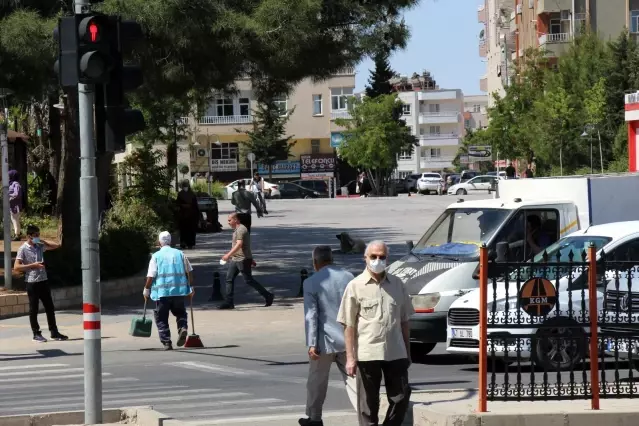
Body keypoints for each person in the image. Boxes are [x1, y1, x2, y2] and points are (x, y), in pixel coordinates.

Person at [337, 241, 413, 426]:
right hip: (368, 352)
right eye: (373, 257)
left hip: (395, 351)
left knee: (401, 397)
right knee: (368, 404)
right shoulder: (355, 286)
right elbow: (348, 325)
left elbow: (404, 321)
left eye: (382, 257)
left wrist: (408, 353)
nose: (378, 260)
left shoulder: (397, 284)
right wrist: (350, 358)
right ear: (365, 258)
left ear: (387, 259)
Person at [299, 246, 357, 426]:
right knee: (354, 381)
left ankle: (314, 418)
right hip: (349, 341)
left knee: (317, 381)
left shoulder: (311, 282)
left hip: (324, 342)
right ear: (331, 259)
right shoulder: (349, 277)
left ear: (315, 262)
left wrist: (311, 343)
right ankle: (366, 415)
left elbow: (312, 315)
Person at [14, 225, 68, 343]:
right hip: (32, 282)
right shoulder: (23, 249)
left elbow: (56, 245)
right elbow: (16, 267)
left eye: (38, 235)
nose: (37, 237)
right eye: (35, 236)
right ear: (29, 236)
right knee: (34, 309)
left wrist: (42, 240)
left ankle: (54, 332)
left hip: (43, 280)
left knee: (50, 307)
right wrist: (32, 265)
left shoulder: (39, 246)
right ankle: (36, 333)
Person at [143, 231, 194, 350]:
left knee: (161, 317)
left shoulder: (156, 256)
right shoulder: (180, 254)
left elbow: (151, 275)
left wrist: (146, 289)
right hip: (179, 291)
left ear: (159, 242)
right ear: (170, 241)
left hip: (162, 294)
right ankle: (183, 328)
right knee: (180, 313)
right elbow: (189, 271)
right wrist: (191, 287)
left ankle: (167, 342)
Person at [219, 213, 274, 310]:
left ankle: (268, 295)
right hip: (236, 259)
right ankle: (229, 302)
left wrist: (228, 255)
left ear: (236, 220)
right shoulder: (238, 229)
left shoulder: (241, 229)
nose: (228, 222)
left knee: (248, 280)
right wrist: (251, 258)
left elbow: (239, 244)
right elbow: (246, 246)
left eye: (229, 220)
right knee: (229, 279)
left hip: (242, 259)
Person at [176, 180, 199, 249]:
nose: (185, 187)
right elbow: (178, 203)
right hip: (183, 215)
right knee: (183, 230)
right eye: (184, 186)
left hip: (191, 215)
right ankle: (183, 243)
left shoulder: (192, 194)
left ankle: (190, 243)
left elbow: (195, 205)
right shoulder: (180, 194)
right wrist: (183, 206)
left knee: (191, 230)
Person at [8, 170, 23, 241]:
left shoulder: (16, 184)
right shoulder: (10, 183)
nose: (8, 177)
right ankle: (16, 233)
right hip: (11, 206)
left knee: (15, 220)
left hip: (15, 206)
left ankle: (17, 235)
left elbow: (17, 194)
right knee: (13, 220)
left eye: (9, 175)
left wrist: (8, 195)